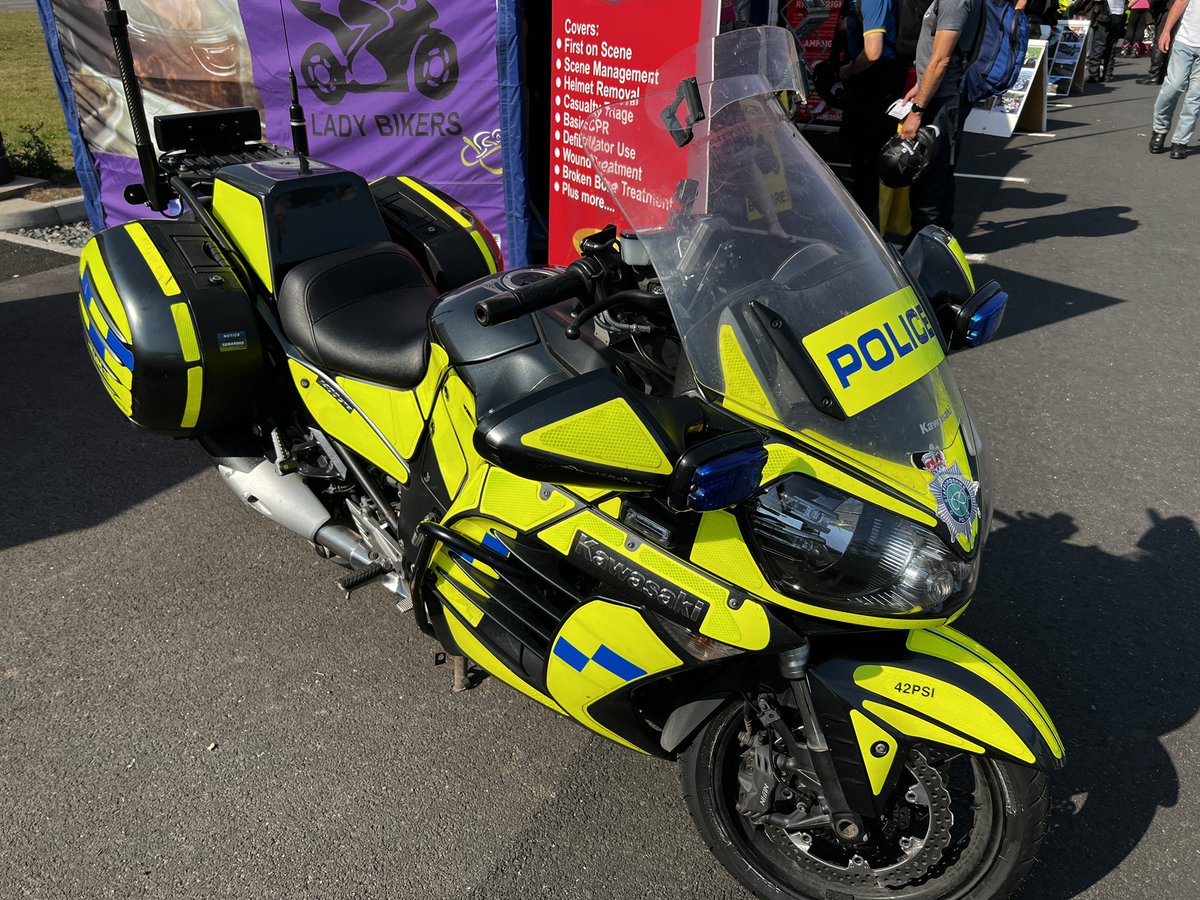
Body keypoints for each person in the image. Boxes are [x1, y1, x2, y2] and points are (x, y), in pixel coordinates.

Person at [899, 0, 983, 236]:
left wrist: (917, 111)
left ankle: (926, 251)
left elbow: (941, 60)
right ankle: (937, 242)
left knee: (929, 183)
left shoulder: (954, 1)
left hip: (942, 101)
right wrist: (920, 84)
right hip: (941, 95)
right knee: (940, 176)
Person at [837, 0, 907, 226]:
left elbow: (873, 52)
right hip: (877, 82)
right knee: (861, 156)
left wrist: (847, 71)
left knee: (866, 161)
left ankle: (864, 229)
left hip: (875, 83)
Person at [1149, 0, 1200, 157]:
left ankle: (1180, 141)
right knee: (1173, 87)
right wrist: (1166, 31)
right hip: (1185, 42)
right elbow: (1180, 3)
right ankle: (1160, 129)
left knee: (1195, 96)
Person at [1075, 0, 1127, 81]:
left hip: (1105, 13)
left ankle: (1094, 74)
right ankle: (1108, 74)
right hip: (1119, 13)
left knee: (1098, 44)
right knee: (1111, 45)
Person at [1141, 0, 1175, 83]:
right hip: (1173, 10)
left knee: (1160, 41)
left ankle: (1155, 74)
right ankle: (1163, 73)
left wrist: (1152, 8)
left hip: (1166, 11)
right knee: (1168, 43)